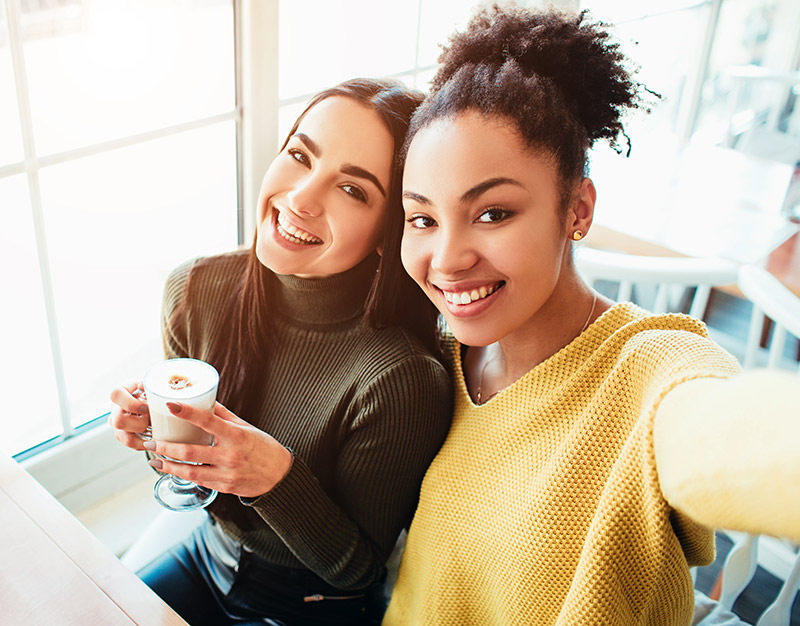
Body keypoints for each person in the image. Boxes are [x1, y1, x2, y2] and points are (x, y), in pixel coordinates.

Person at [383, 5, 800, 626]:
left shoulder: (649, 371)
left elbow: (722, 431)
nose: (447, 258)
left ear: (577, 209)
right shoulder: (434, 359)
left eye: (493, 212)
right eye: (423, 218)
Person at [108, 77, 452, 626]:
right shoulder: (193, 290)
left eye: (353, 189)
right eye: (299, 155)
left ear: (390, 231)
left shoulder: (402, 378)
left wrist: (274, 478)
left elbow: (357, 569)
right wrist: (155, 432)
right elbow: (193, 480)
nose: (301, 198)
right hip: (208, 557)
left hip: (309, 605)